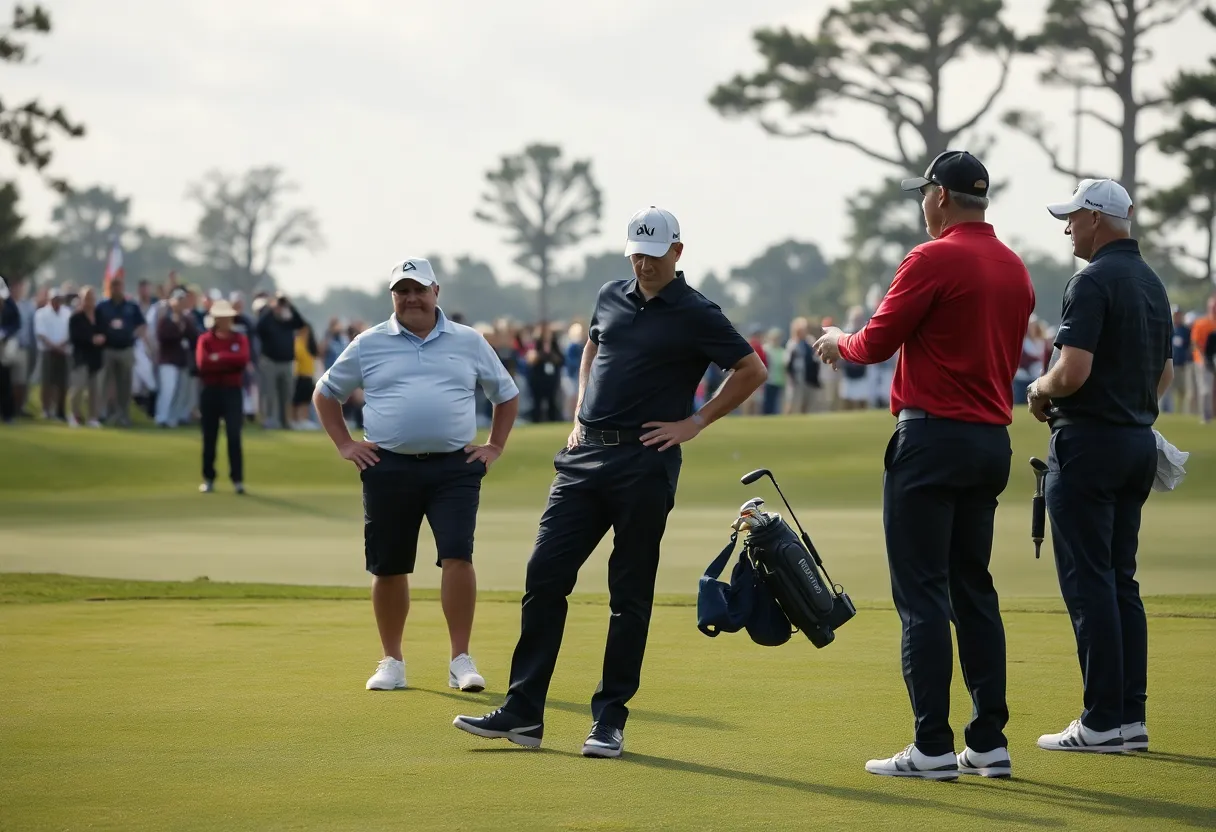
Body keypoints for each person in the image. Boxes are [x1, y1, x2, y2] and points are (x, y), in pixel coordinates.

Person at [453, 206, 767, 757]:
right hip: (583, 458)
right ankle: (525, 712)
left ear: (677, 252)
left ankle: (609, 720)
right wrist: (579, 412)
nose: (643, 264)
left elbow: (751, 370)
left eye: (653, 254)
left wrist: (695, 422)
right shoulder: (609, 295)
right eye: (636, 254)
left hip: (645, 464)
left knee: (629, 594)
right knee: (544, 575)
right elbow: (594, 348)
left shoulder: (698, 312)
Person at [814, 150, 1035, 780]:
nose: (921, 204)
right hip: (991, 442)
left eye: (923, 194)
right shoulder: (1015, 267)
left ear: (940, 196)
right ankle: (990, 742)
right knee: (974, 587)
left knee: (922, 596)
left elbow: (876, 341)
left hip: (932, 440)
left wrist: (837, 342)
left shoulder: (931, 256)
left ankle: (933, 747)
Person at [313, 258, 520, 694]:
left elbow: (505, 394)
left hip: (454, 467)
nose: (410, 298)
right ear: (393, 296)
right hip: (387, 465)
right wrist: (345, 444)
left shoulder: (468, 341)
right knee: (388, 565)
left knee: (458, 556)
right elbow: (326, 392)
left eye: (418, 289)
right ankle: (392, 660)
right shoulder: (369, 343)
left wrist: (495, 446)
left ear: (435, 292)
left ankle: (460, 659)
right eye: (401, 290)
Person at [1028, 178, 1172, 753]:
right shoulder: (1151, 282)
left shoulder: (1090, 280)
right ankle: (1128, 718)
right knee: (1120, 581)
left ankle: (1100, 721)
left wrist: (1039, 390)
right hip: (1137, 441)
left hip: (1088, 445)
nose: (1066, 228)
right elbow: (1162, 374)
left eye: (1072, 218)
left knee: (1089, 583)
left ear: (1094, 218)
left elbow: (1072, 371)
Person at [196, 300, 251, 494]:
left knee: (234, 435)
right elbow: (203, 364)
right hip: (210, 391)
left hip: (232, 392)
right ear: (216, 319)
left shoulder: (239, 339)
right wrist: (227, 360)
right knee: (209, 436)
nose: (226, 321)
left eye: (228, 317)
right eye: (222, 318)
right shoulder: (205, 339)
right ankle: (208, 478)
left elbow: (242, 360)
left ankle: (237, 480)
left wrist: (218, 357)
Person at [95, 275, 146, 427]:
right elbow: (95, 325)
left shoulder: (131, 306)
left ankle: (123, 415)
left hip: (126, 349)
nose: (116, 289)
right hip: (107, 349)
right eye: (113, 286)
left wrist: (134, 336)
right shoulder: (102, 306)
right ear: (109, 288)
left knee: (125, 385)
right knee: (103, 383)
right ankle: (102, 414)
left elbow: (142, 325)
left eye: (118, 286)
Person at [67, 286, 105, 428]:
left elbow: (105, 330)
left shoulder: (99, 315)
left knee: (94, 390)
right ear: (81, 300)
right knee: (78, 387)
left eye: (91, 298)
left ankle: (92, 417)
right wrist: (91, 339)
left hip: (96, 357)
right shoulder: (76, 317)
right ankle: (73, 415)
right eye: (86, 298)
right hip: (81, 357)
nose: (89, 301)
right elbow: (74, 337)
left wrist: (102, 337)